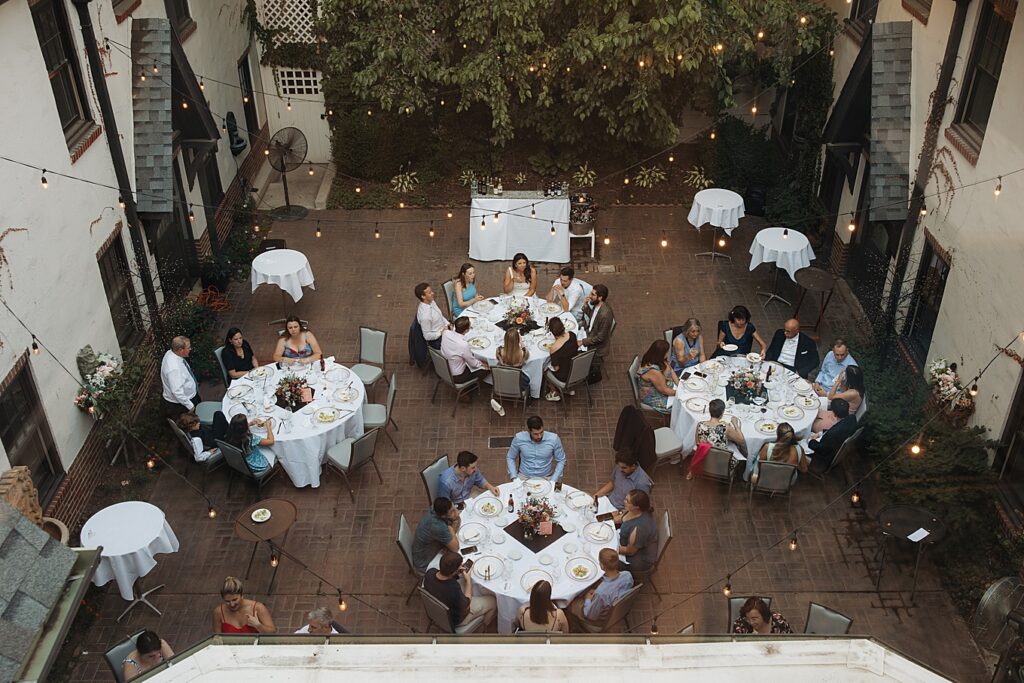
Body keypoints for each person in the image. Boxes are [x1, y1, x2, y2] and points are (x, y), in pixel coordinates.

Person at [423, 551, 497, 631]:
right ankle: (484, 627)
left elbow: (448, 577)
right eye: (460, 565)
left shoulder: (430, 572)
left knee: (462, 580)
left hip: (437, 610)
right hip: (456, 619)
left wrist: (457, 573)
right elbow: (467, 604)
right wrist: (468, 581)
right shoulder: (453, 589)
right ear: (453, 572)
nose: (462, 566)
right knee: (493, 601)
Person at [567, 548, 634, 631]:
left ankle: (572, 627)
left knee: (570, 604)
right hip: (618, 610)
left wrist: (587, 599)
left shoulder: (601, 593)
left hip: (600, 621)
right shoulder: (627, 575)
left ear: (602, 566)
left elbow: (590, 615)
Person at [687, 399, 746, 479]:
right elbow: (741, 440)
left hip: (704, 460)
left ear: (710, 411)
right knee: (737, 449)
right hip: (721, 464)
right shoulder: (726, 427)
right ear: (722, 414)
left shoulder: (700, 425)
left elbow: (698, 444)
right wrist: (735, 424)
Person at [593, 451, 653, 521]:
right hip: (608, 500)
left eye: (624, 468)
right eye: (619, 467)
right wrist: (596, 496)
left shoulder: (643, 484)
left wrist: (617, 515)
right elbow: (612, 483)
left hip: (621, 512)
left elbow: (637, 509)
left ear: (633, 467)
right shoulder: (620, 467)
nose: (620, 470)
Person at [507, 415, 566, 481]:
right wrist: (514, 477)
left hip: (546, 477)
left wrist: (554, 479)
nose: (539, 436)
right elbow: (510, 457)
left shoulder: (554, 439)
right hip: (524, 476)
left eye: (541, 432)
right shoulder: (519, 438)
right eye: (535, 434)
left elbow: (561, 460)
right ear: (529, 431)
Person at [411, 497, 461, 572]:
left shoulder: (435, 508)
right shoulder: (437, 526)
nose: (457, 512)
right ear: (443, 516)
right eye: (452, 511)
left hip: (427, 548)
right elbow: (455, 548)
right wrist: (450, 528)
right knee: (456, 562)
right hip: (426, 562)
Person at [807, 398, 858, 467]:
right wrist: (820, 433)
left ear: (834, 414)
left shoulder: (833, 434)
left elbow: (821, 448)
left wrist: (811, 440)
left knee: (802, 439)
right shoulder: (852, 417)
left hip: (823, 457)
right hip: (837, 443)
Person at [618, 489, 659, 573]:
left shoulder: (640, 528)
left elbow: (630, 551)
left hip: (638, 559)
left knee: (606, 559)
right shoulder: (634, 511)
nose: (624, 501)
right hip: (624, 543)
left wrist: (609, 549)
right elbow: (620, 518)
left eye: (627, 501)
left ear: (636, 507)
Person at [815, 365, 865, 431]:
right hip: (840, 411)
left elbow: (831, 397)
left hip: (841, 418)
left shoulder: (853, 393)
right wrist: (842, 383)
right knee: (815, 412)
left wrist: (838, 381)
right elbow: (843, 392)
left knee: (814, 423)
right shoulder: (857, 386)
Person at [441, 317, 489, 384]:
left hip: (445, 367)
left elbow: (444, 331)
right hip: (458, 376)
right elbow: (474, 363)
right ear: (466, 330)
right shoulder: (463, 345)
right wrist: (483, 364)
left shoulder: (446, 333)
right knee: (487, 369)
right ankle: (474, 386)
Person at [636, 340, 679, 414]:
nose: (667, 353)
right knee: (679, 405)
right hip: (653, 396)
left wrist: (679, 384)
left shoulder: (651, 357)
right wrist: (680, 392)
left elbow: (671, 370)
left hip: (661, 385)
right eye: (666, 352)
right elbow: (664, 390)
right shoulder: (654, 371)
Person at [161, 336, 199, 417]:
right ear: (180, 350)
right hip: (182, 404)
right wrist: (190, 406)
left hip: (190, 397)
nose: (190, 349)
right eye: (188, 347)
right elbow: (177, 391)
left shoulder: (170, 353)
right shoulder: (174, 369)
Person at [581, 284, 614, 374]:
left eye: (592, 294)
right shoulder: (597, 305)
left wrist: (583, 342)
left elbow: (600, 338)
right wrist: (585, 305)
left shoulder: (605, 315)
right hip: (590, 334)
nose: (589, 296)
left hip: (597, 346)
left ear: (600, 298)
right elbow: (593, 317)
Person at [495, 327, 532, 410]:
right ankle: (516, 398)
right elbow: (527, 357)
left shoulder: (499, 351)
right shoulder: (523, 353)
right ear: (517, 340)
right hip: (518, 382)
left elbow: (498, 360)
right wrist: (522, 343)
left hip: (502, 380)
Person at [543, 316, 579, 402]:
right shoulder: (572, 335)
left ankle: (553, 392)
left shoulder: (554, 348)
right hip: (575, 369)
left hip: (564, 376)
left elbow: (556, 368)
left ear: (552, 332)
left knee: (545, 369)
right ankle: (569, 388)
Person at [415, 282, 449, 350]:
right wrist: (441, 332)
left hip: (444, 329)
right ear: (423, 296)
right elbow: (427, 336)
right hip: (437, 340)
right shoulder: (425, 317)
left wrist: (448, 323)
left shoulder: (431, 301)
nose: (433, 293)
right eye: (430, 293)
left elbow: (440, 316)